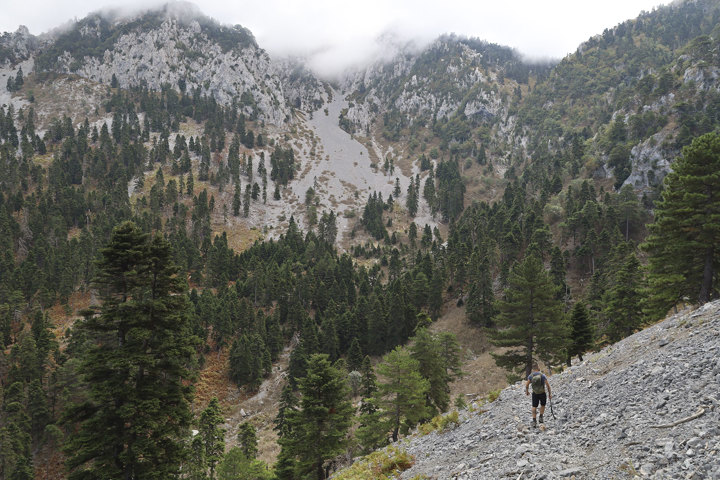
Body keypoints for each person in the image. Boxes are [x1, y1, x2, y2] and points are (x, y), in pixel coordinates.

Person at [525, 362, 551, 427]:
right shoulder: (542, 375)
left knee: (534, 406)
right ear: (538, 367)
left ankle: (534, 421)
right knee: (543, 404)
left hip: (535, 393)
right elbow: (547, 385)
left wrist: (527, 391)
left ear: (533, 369)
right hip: (542, 393)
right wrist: (549, 394)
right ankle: (541, 417)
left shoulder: (531, 376)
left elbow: (527, 384)